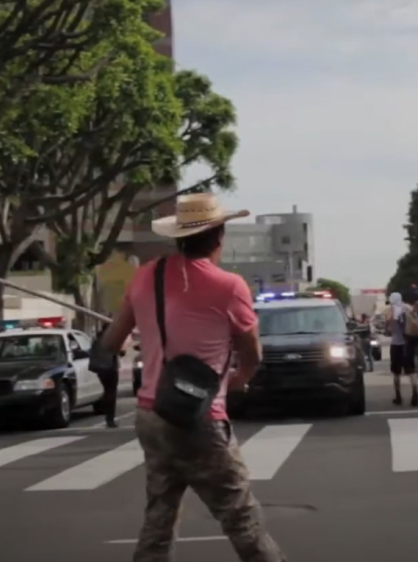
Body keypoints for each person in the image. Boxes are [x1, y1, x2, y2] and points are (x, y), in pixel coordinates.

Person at [99, 193, 285, 562]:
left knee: (159, 516)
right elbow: (252, 352)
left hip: (152, 413)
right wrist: (239, 379)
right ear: (219, 235)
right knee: (240, 516)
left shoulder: (145, 277)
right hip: (199, 417)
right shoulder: (229, 286)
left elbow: (110, 342)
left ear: (179, 236)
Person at [386, 291, 418, 407]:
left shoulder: (392, 310)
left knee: (396, 372)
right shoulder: (408, 308)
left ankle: (398, 396)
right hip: (409, 343)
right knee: (411, 370)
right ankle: (415, 392)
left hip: (397, 344)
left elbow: (389, 325)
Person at [95, 321, 121, 428]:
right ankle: (110, 419)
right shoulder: (111, 339)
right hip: (110, 368)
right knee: (111, 393)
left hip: (100, 369)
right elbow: (121, 352)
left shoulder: (97, 339)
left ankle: (108, 417)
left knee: (107, 392)